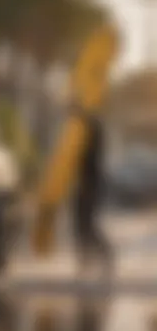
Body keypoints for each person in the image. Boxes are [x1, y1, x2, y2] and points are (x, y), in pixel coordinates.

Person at [72, 115, 114, 278]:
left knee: (87, 224)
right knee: (81, 224)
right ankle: (86, 259)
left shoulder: (91, 130)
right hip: (85, 185)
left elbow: (89, 163)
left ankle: (103, 256)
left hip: (89, 185)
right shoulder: (86, 128)